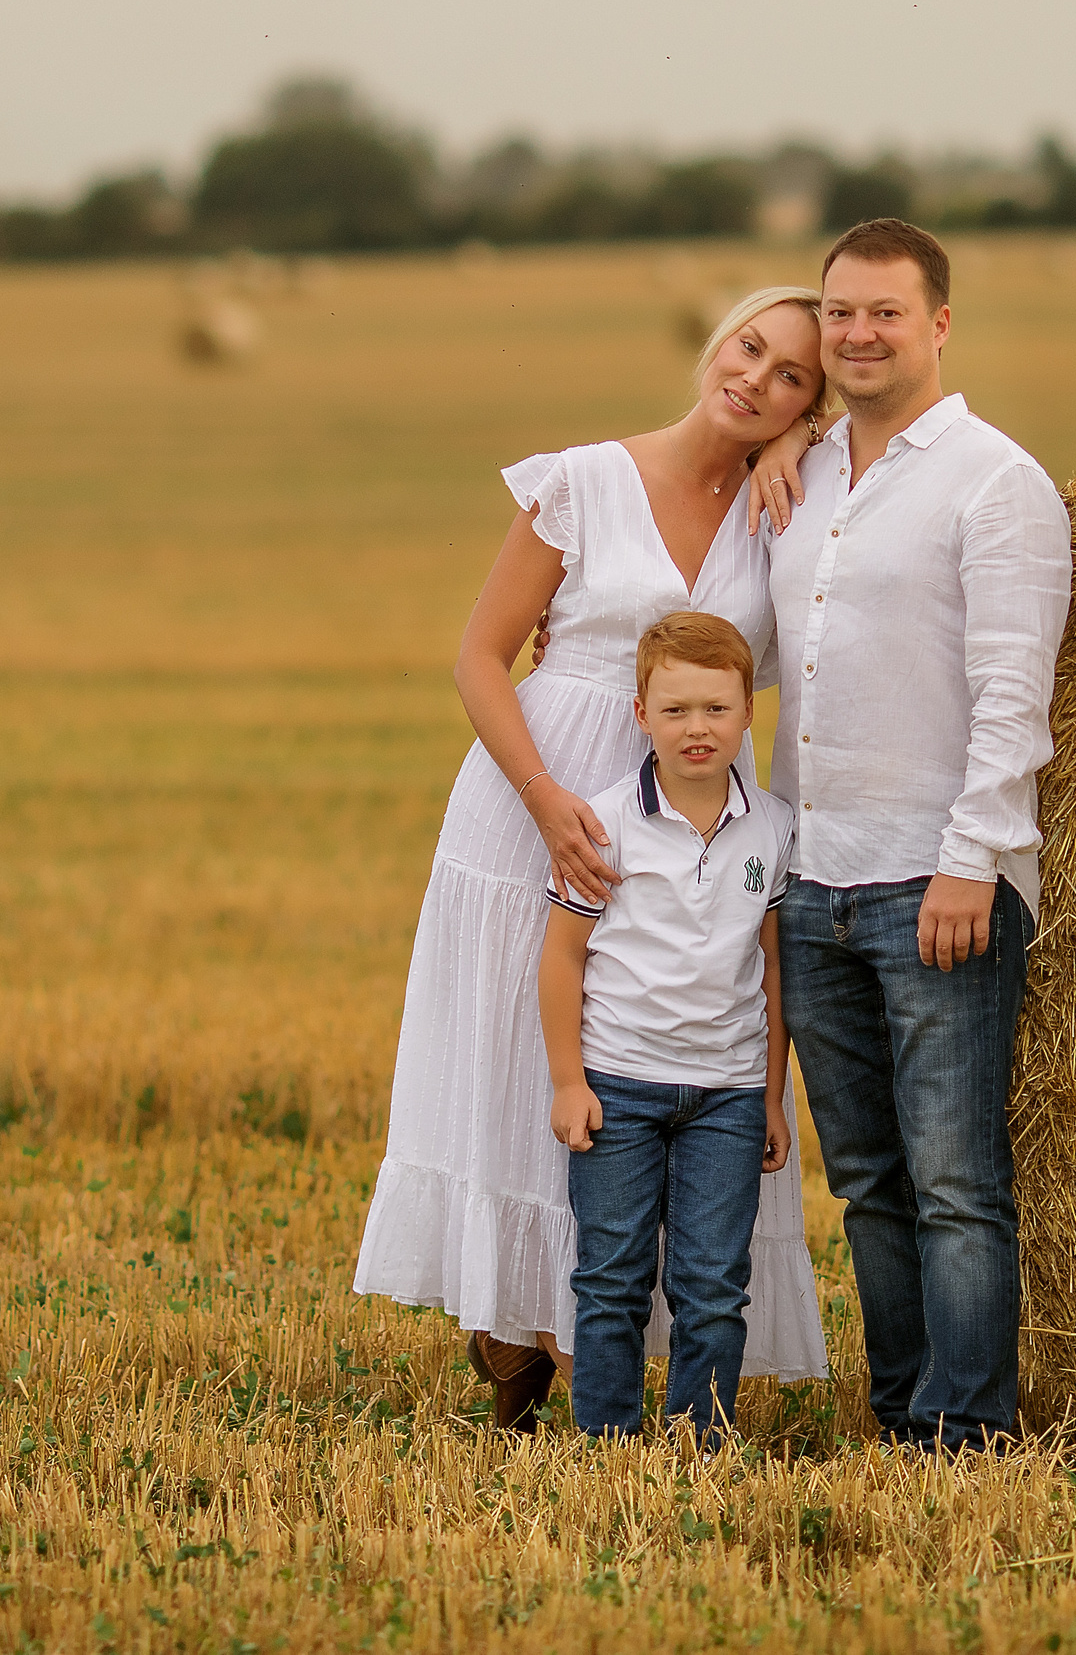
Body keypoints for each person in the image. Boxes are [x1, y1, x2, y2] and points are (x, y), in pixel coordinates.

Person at [352, 289, 833, 1431]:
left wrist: (807, 448)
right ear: (717, 339)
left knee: (672, 1037)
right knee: (543, 1070)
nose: (756, 380)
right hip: (539, 796)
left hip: (703, 819)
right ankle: (517, 1340)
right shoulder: (581, 480)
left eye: (793, 380)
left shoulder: (797, 502)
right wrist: (545, 800)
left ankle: (637, 1356)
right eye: (750, 348)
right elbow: (478, 656)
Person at [751, 220, 1072, 1449]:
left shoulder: (995, 482)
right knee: (871, 1186)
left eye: (885, 313)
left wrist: (971, 860)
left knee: (954, 1187)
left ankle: (966, 1432)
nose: (857, 335)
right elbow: (776, 655)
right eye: (839, 314)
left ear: (938, 324)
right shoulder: (810, 473)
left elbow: (1011, 693)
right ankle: (900, 1420)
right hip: (813, 879)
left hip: (931, 882)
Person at [541, 612, 797, 1441]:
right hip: (618, 1085)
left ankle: (701, 1442)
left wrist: (770, 1096)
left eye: (717, 709)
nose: (698, 728)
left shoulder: (773, 828)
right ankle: (606, 1445)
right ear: (641, 712)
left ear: (747, 714)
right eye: (677, 709)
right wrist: (569, 1081)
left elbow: (774, 969)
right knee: (612, 1276)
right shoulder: (604, 823)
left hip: (726, 1093)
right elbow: (563, 959)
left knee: (714, 1282)